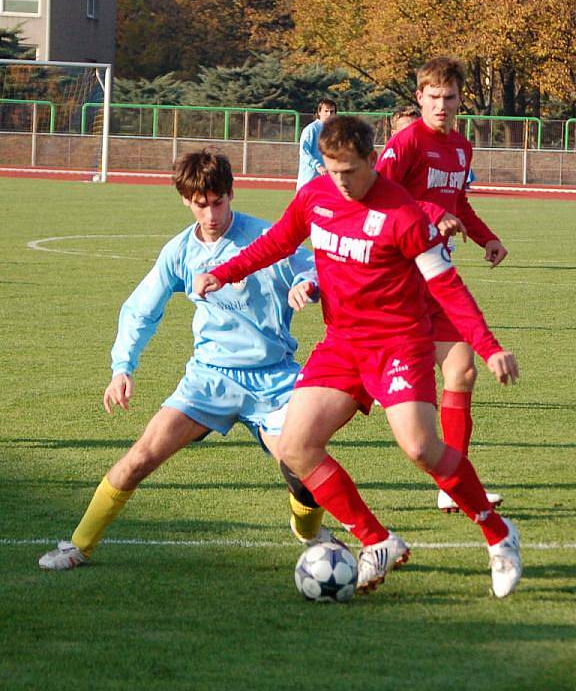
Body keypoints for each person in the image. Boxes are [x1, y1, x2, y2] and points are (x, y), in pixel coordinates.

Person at [195, 116, 522, 599]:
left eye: (350, 170)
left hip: (399, 343)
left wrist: (489, 346)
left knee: (420, 448)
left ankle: (499, 534)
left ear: (372, 160)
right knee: (294, 446)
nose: (341, 181)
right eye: (332, 170)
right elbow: (280, 241)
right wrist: (226, 272)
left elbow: (448, 289)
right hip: (342, 344)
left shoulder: (405, 214)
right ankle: (378, 541)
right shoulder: (316, 196)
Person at [38, 149, 330, 571]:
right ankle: (78, 546)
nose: (210, 214)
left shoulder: (267, 238)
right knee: (141, 456)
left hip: (274, 379)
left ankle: (307, 532)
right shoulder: (179, 251)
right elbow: (141, 309)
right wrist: (123, 367)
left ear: (232, 193)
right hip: (210, 377)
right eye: (200, 204)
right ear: (185, 200)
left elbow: (317, 266)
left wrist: (308, 285)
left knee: (302, 463)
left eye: (218, 202)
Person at [376, 57, 507, 513]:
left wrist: (485, 236)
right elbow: (380, 198)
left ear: (458, 99)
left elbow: (457, 202)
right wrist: (433, 215)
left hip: (436, 272)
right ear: (420, 97)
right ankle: (300, 448)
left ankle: (453, 483)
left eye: (449, 98)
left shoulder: (460, 147)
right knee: (360, 389)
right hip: (397, 278)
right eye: (433, 97)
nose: (442, 105)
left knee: (462, 371)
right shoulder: (405, 142)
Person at [296, 98, 338, 191]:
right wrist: (317, 165)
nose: (329, 114)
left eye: (332, 111)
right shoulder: (311, 129)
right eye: (326, 111)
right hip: (309, 180)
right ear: (319, 112)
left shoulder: (334, 131)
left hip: (326, 181)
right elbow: (304, 152)